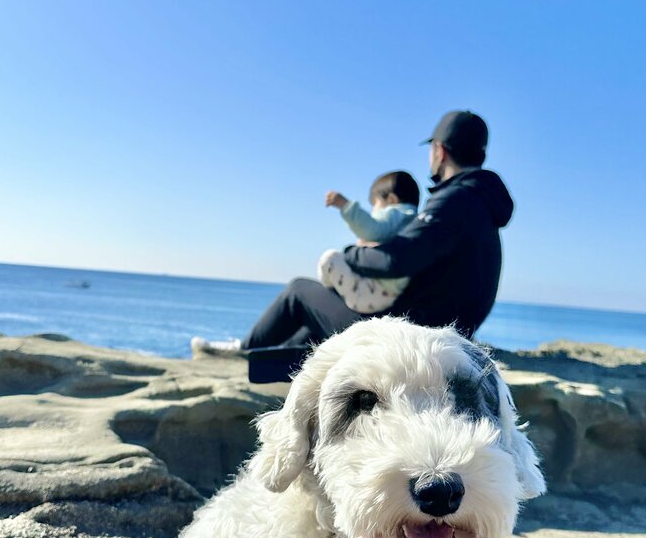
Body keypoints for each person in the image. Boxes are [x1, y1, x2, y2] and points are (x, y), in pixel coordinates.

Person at [190, 110, 513, 356]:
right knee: (319, 313)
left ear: (440, 151)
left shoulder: (456, 200)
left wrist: (351, 254)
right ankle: (266, 361)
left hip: (411, 336)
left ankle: (243, 354)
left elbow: (395, 261)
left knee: (299, 292)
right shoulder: (481, 202)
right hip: (441, 333)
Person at [318, 170, 419, 314]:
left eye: (375, 205)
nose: (373, 212)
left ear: (391, 200)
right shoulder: (414, 223)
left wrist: (345, 206)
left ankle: (328, 292)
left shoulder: (397, 214)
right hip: (390, 295)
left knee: (330, 258)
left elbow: (373, 229)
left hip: (373, 291)